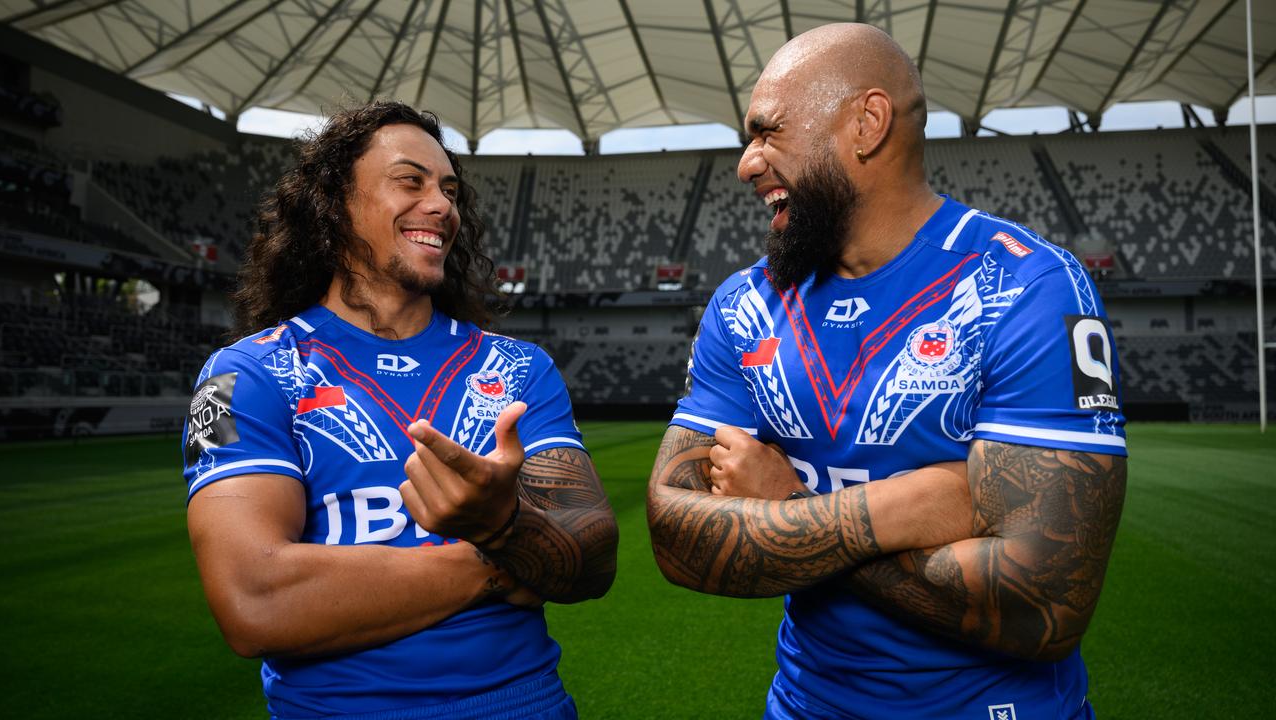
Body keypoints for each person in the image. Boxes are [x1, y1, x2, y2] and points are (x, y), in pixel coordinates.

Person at [647, 23, 1127, 720]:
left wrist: (789, 507)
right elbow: (676, 540)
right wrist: (908, 509)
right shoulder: (744, 305)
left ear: (867, 124)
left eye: (768, 132)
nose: (747, 165)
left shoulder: (1027, 287)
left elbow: (1044, 606)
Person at [182, 101, 617, 720]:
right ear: (334, 204)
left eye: (449, 190)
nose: (441, 205)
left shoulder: (522, 368)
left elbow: (592, 556)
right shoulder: (236, 376)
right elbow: (255, 602)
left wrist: (511, 531)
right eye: (410, 181)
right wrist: (500, 553)